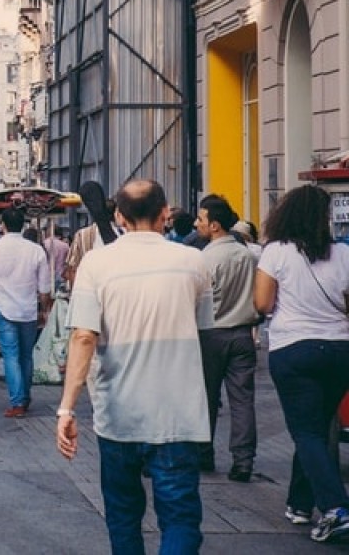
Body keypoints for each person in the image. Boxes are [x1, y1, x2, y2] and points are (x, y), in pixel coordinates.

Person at [56, 179, 212, 554]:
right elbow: (203, 328)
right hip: (178, 415)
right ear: (165, 214)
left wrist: (66, 408)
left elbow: (83, 337)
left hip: (118, 413)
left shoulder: (96, 264)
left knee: (124, 516)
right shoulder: (193, 261)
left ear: (119, 217)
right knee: (180, 518)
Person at [253, 184, 349, 542]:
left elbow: (262, 304)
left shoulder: (275, 251)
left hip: (293, 348)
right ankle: (298, 503)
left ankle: (336, 508)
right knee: (316, 425)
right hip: (340, 349)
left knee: (306, 431)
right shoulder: (343, 253)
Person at [193, 194, 259, 481]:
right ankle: (243, 461)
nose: (197, 224)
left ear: (215, 225)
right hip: (243, 333)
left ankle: (204, 453)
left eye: (201, 219)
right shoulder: (248, 255)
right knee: (243, 400)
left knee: (206, 397)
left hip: (211, 334)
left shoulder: (205, 258)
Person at [0, 205, 52, 418]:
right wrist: (45, 308)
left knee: (11, 355)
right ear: (23, 225)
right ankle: (25, 396)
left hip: (3, 308)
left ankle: (17, 400)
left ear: (2, 226)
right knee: (26, 356)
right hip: (28, 310)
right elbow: (45, 287)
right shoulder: (36, 250)